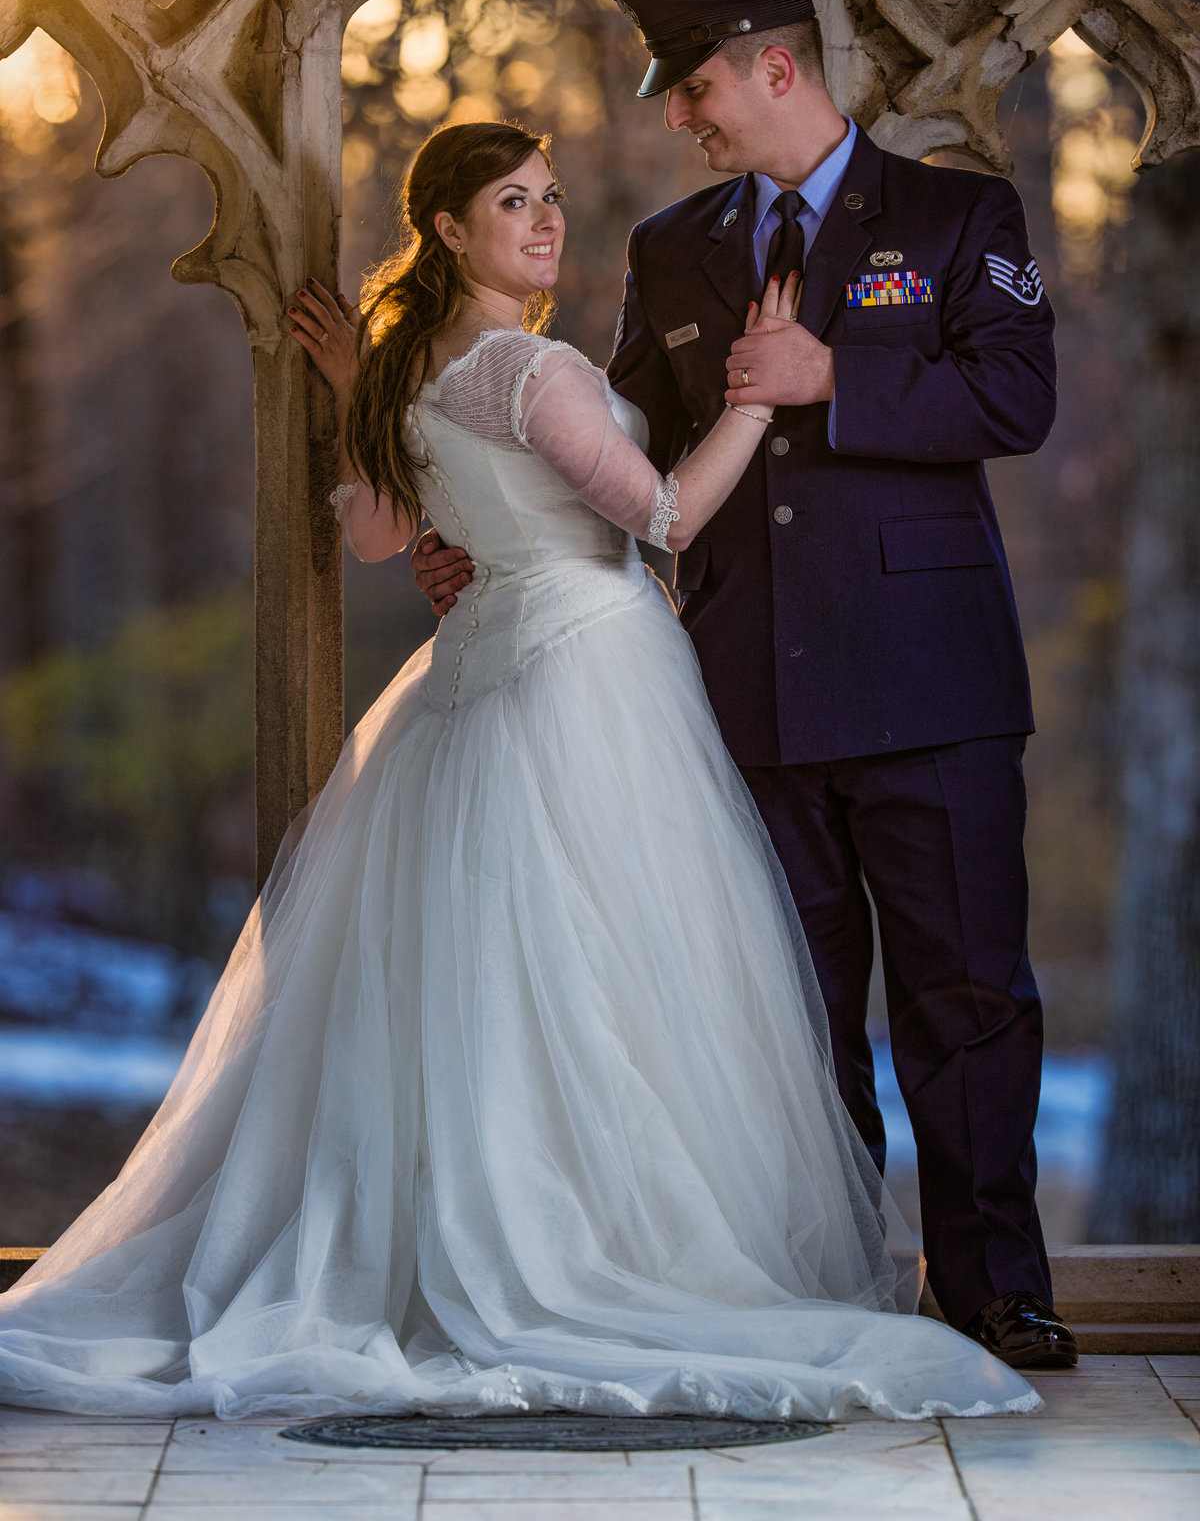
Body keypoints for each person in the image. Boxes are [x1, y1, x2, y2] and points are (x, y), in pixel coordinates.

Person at [0, 122, 1040, 1423]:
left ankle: (480, 1238)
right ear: (446, 229)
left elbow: (383, 534)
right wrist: (757, 404)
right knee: (619, 981)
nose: (545, 223)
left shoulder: (405, 372)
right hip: (586, 669)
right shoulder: (525, 364)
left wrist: (363, 399)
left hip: (477, 683)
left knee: (498, 986)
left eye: (549, 198)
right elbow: (659, 517)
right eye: (512, 203)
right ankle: (597, 1249)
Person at [413, 0, 1078, 1373]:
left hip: (929, 686)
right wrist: (476, 529)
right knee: (788, 1018)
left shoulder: (961, 219)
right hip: (742, 692)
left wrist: (837, 377)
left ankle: (996, 1290)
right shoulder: (672, 249)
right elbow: (614, 430)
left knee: (966, 999)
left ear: (774, 69)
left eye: (694, 87)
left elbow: (1016, 397)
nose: (677, 113)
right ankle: (823, 1282)